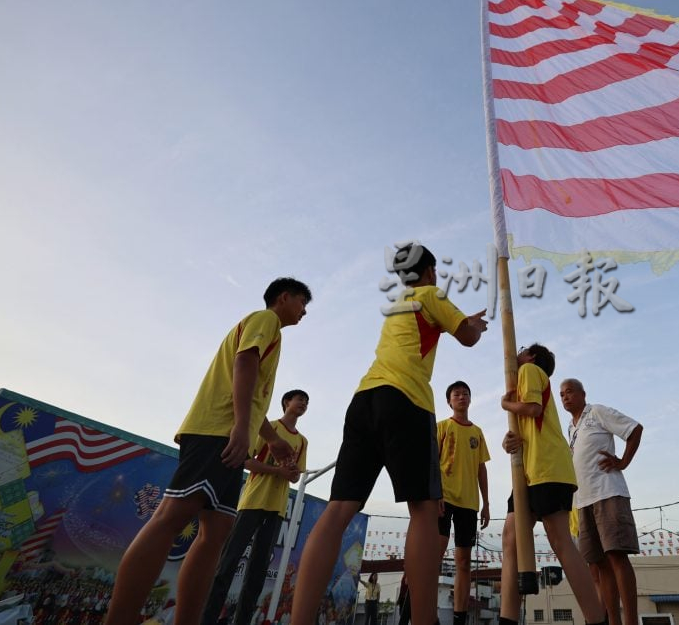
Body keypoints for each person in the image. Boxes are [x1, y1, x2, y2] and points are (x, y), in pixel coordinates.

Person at [290, 243, 488, 625]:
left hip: (364, 398)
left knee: (338, 511)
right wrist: (474, 325)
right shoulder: (430, 293)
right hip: (407, 401)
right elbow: (466, 335)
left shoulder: (399, 304)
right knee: (425, 511)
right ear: (430, 270)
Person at [105, 278, 311, 625]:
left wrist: (270, 438)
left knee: (214, 535)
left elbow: (254, 390)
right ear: (284, 297)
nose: (305, 311)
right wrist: (240, 427)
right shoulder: (266, 320)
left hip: (228, 433)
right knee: (171, 518)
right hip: (216, 431)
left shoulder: (271, 332)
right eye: (302, 302)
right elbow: (243, 364)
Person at [500, 345, 606, 625]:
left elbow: (532, 409)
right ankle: (507, 618)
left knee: (560, 541)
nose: (517, 352)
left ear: (532, 357)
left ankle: (597, 619)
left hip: (548, 467)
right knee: (510, 536)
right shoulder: (526, 377)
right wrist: (509, 441)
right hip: (529, 471)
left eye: (522, 350)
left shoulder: (529, 370)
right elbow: (526, 427)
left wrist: (506, 404)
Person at [201, 389, 310, 625]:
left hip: (277, 508)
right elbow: (247, 460)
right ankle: (207, 618)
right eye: (299, 399)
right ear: (286, 402)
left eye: (306, 401)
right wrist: (276, 470)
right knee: (229, 562)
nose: (303, 403)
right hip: (252, 501)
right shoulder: (268, 428)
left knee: (258, 572)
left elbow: (295, 477)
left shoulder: (302, 442)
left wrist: (289, 472)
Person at [558, 378, 642, 625]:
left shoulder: (596, 412)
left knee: (616, 556)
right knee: (598, 563)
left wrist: (623, 462)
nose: (565, 397)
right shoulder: (571, 428)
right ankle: (613, 620)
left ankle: (631, 621)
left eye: (570, 392)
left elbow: (635, 430)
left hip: (607, 493)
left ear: (583, 394)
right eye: (562, 394)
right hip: (582, 500)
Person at [436, 380, 491, 625]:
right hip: (443, 499)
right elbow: (430, 464)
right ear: (449, 401)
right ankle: (422, 613)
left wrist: (486, 503)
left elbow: (481, 469)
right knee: (433, 557)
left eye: (466, 393)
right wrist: (434, 494)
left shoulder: (477, 432)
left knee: (464, 562)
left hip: (469, 503)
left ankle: (459, 617)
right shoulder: (441, 427)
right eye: (457, 394)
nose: (462, 397)